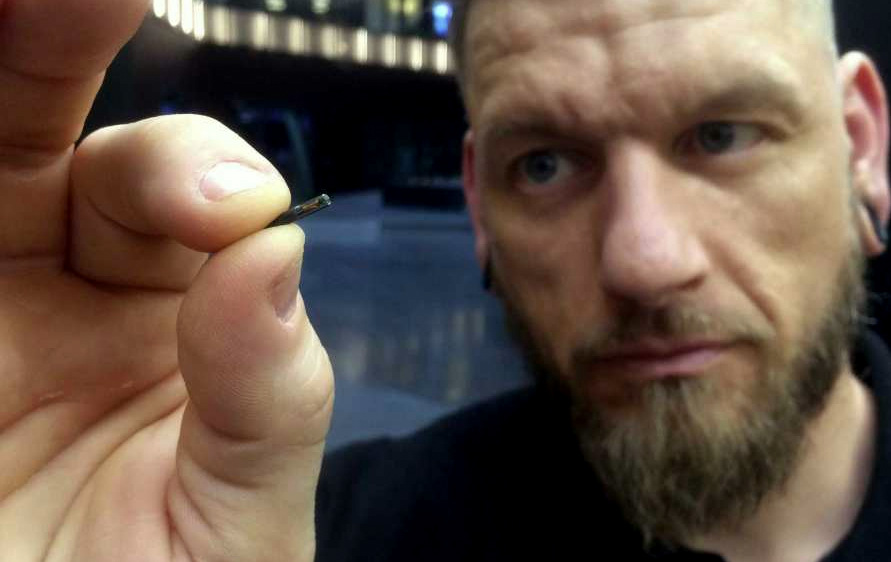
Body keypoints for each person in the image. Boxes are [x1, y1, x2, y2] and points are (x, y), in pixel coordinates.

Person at [0, 0, 888, 561]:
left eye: (723, 135)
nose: (643, 260)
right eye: (544, 164)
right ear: (476, 200)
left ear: (860, 144)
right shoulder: (318, 534)